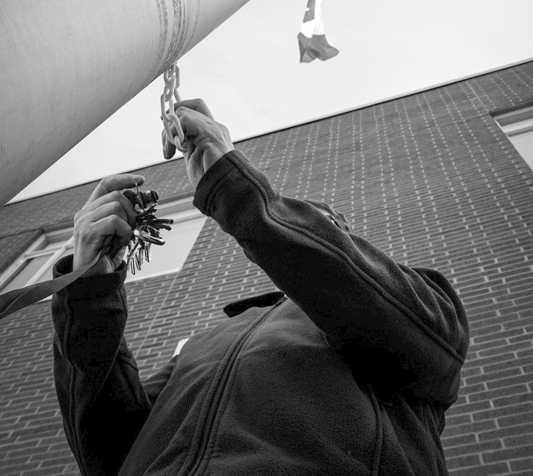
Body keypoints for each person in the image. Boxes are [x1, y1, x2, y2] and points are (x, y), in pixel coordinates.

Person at [52, 99, 469, 476]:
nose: (296, 227)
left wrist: (232, 180)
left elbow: (350, 282)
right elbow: (109, 453)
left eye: (317, 225)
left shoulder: (420, 304)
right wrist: (89, 285)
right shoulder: (202, 344)